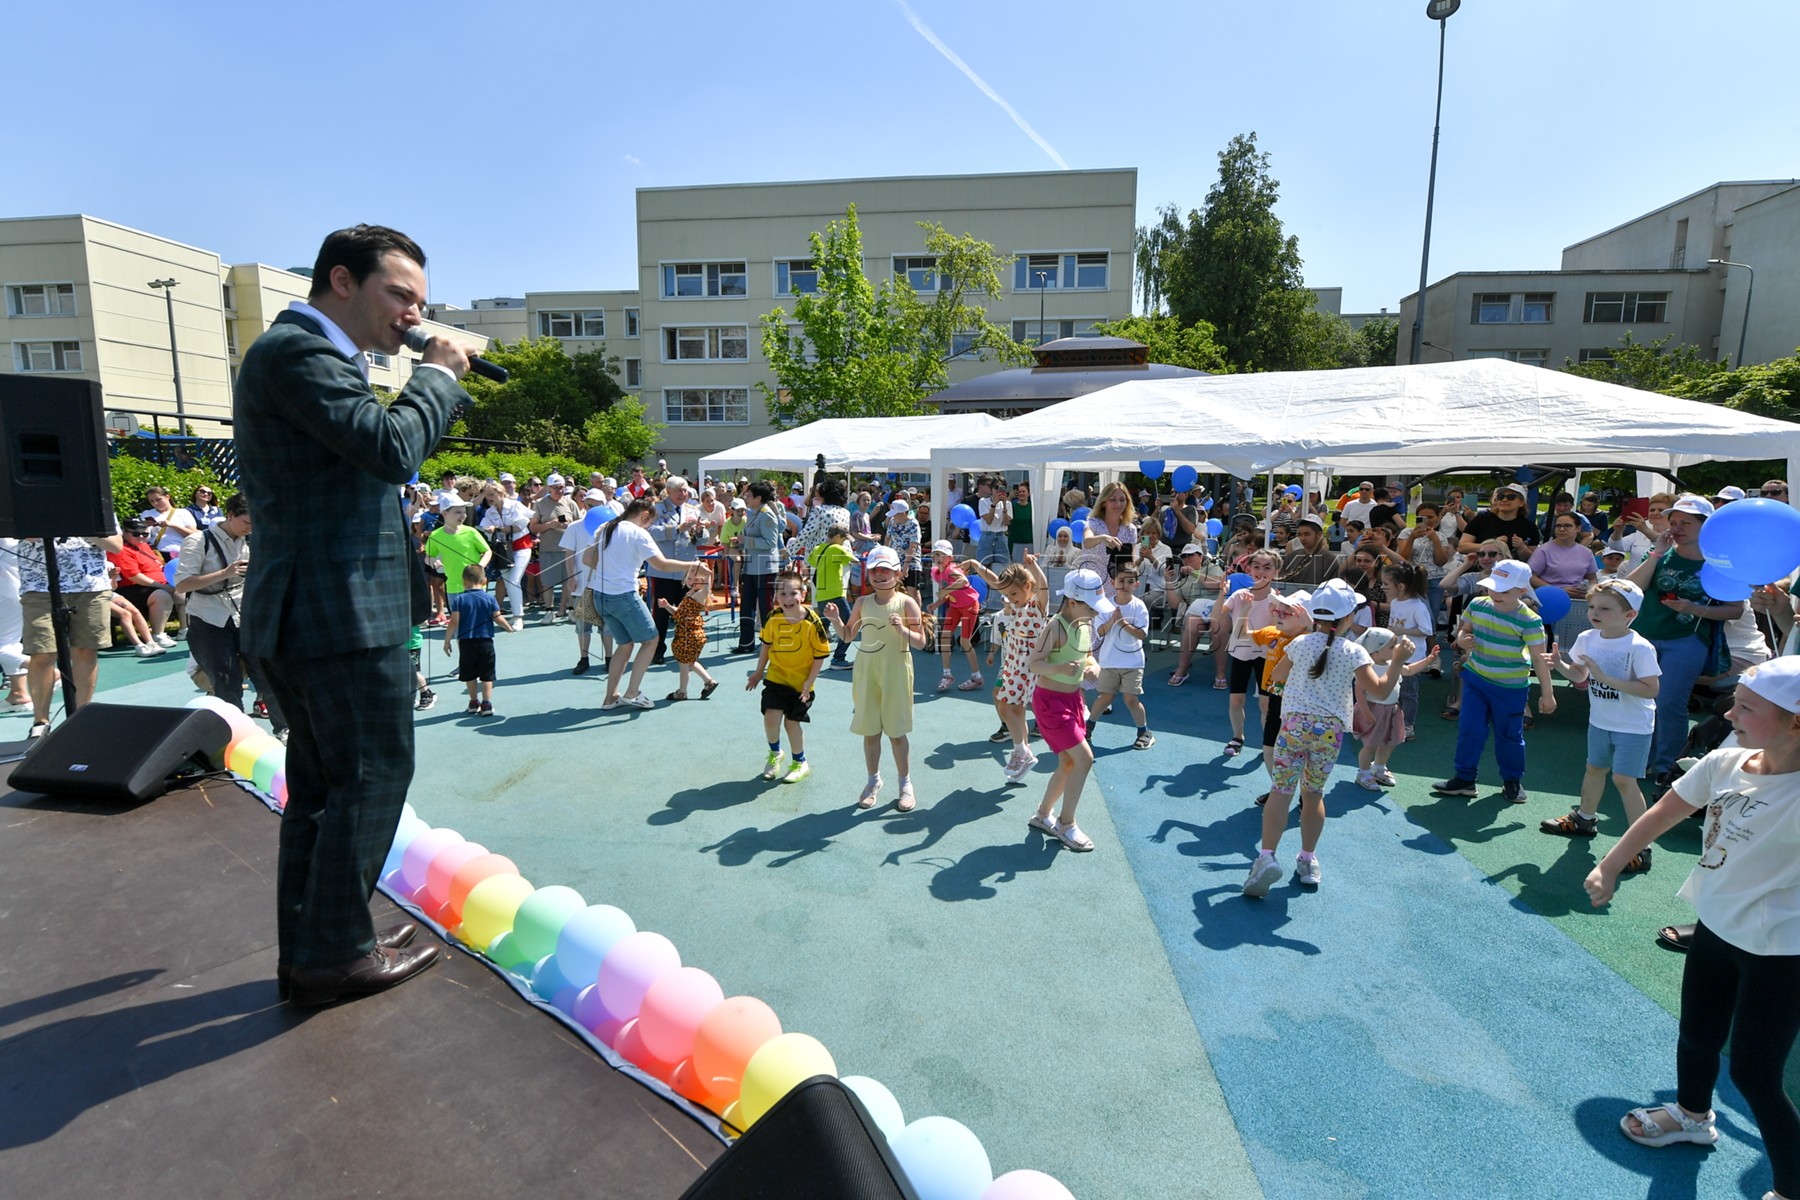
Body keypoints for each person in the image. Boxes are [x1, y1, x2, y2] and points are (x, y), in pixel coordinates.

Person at [235, 224, 474, 1006]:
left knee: (325, 789)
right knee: (368, 779)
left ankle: (321, 946)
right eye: (399, 295)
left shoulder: (315, 358)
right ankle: (333, 955)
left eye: (421, 303)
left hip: (316, 614)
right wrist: (438, 376)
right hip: (334, 619)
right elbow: (390, 447)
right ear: (342, 280)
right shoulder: (298, 352)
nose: (412, 315)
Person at [1586, 657, 1800, 1200]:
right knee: (1697, 1034)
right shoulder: (1725, 762)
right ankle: (1691, 1115)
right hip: (1715, 927)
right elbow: (1662, 813)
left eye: (1748, 707)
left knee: (1755, 1072)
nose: (1730, 712)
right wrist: (1609, 865)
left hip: (1782, 950)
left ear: (1796, 721)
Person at [1243, 579, 1413, 896]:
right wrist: (1399, 660)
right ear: (1349, 615)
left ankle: (1266, 857)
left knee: (1281, 791)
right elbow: (1380, 689)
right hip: (1328, 731)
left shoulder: (1300, 644)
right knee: (1313, 794)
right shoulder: (1354, 652)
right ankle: (1307, 859)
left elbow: (1277, 677)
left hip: (1293, 726)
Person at [1626, 495, 1746, 786]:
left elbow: (1736, 610)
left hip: (1687, 639)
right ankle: (1640, 759)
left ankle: (1668, 766)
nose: (1677, 528)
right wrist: (1656, 553)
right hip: (1645, 637)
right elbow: (1630, 589)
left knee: (1669, 702)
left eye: (1686, 523)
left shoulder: (1719, 562)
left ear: (1705, 527)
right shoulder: (1661, 553)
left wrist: (1694, 609)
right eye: (1674, 522)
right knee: (1641, 700)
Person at [1542, 579, 1660, 860]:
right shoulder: (1587, 638)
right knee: (1594, 768)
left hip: (1633, 726)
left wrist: (1608, 679)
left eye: (1605, 608)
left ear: (1630, 615)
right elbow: (1580, 676)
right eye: (1593, 606)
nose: (1594, 612)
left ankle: (1641, 848)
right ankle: (1584, 819)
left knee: (1623, 779)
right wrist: (1559, 665)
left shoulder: (1640, 647)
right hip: (1600, 721)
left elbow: (1651, 689)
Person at [1431, 559, 1558, 803]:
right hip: (1476, 680)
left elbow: (1539, 659)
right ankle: (1465, 779)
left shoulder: (1530, 620)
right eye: (1493, 587)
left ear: (1522, 591)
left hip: (1510, 688)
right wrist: (1463, 639)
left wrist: (1548, 693)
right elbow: (1463, 632)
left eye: (1505, 590)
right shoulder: (1478, 604)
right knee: (1469, 730)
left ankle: (1512, 781)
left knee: (1509, 736)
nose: (1496, 593)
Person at [822, 545, 928, 811]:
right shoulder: (861, 602)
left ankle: (905, 784)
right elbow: (847, 636)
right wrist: (835, 620)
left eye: (885, 570)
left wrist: (903, 629)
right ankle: (873, 781)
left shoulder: (907, 602)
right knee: (870, 731)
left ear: (896, 574)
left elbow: (921, 642)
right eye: (874, 570)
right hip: (867, 671)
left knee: (896, 732)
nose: (879, 575)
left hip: (896, 671)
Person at [172, 492, 286, 737]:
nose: (251, 528)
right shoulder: (198, 541)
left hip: (245, 613)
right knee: (226, 681)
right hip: (209, 617)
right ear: (231, 515)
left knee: (269, 674)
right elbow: (182, 585)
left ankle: (283, 729)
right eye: (246, 522)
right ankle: (236, 735)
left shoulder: (251, 540)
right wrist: (225, 572)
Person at [580, 497, 695, 710]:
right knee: (651, 640)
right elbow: (661, 564)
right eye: (650, 522)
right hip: (623, 594)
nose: (649, 526)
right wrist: (693, 565)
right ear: (644, 515)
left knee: (624, 645)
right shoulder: (638, 533)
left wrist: (612, 569)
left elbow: (587, 559)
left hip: (600, 595)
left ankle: (610, 697)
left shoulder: (606, 527)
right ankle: (632, 692)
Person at [1025, 569, 1109, 852]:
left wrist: (1092, 666)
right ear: (1072, 601)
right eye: (1091, 606)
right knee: (1084, 759)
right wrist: (1058, 668)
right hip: (1050, 703)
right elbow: (1034, 663)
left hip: (1073, 700)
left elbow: (1086, 656)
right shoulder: (1055, 627)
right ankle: (1066, 822)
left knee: (1069, 763)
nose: (1096, 613)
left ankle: (1042, 814)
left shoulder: (1085, 625)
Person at [15, 522, 124, 739]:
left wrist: (81, 526)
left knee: (85, 650)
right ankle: (41, 722)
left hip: (90, 585)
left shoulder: (94, 501)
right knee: (43, 652)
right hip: (39, 585)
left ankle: (80, 716)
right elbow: (27, 533)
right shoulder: (30, 494)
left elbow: (115, 545)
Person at [964, 554, 1050, 782]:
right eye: (1008, 594)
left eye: (1014, 593)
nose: (1011, 598)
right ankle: (1022, 749)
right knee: (1013, 708)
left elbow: (1044, 588)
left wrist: (1034, 566)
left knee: (1007, 707)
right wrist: (975, 564)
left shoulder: (1036, 607)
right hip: (1011, 663)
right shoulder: (1014, 604)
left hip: (1025, 667)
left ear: (1028, 587)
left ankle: (1021, 751)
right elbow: (994, 580)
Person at [746, 571, 830, 783]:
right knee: (770, 717)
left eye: (793, 593)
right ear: (776, 596)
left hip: (801, 684)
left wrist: (809, 683)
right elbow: (766, 646)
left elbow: (820, 656)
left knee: (792, 723)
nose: (788, 598)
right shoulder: (772, 618)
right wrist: (758, 672)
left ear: (803, 594)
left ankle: (800, 762)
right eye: (782, 593)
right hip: (777, 678)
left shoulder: (813, 621)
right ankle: (775, 754)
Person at [1352, 626, 1438, 791]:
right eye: (1392, 646)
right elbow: (1359, 692)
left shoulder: (1393, 663)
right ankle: (1363, 773)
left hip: (1392, 710)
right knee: (1370, 745)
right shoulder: (1367, 668)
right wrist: (1365, 712)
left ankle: (1379, 767)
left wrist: (1428, 660)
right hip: (1375, 710)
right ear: (1375, 651)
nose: (1397, 649)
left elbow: (1409, 670)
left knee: (1390, 743)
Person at [1219, 549, 1283, 758]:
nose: (1261, 571)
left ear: (1276, 572)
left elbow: (1276, 633)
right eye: (1257, 566)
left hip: (1267, 657)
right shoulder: (1239, 595)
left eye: (1267, 567)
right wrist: (1222, 593)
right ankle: (1237, 737)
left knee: (1266, 704)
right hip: (1240, 653)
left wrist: (1275, 612)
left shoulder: (1278, 600)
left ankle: (1269, 743)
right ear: (1249, 569)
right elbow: (1216, 616)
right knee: (1236, 700)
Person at [1089, 564, 1154, 750]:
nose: (1125, 585)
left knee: (1130, 699)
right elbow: (1100, 632)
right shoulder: (1105, 605)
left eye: (1130, 581)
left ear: (1137, 584)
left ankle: (1144, 732)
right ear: (1112, 582)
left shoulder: (1139, 606)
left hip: (1133, 663)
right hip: (1109, 661)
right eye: (1121, 581)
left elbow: (1142, 634)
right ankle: (1088, 729)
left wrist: (1122, 623)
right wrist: (1113, 621)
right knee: (1104, 697)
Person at [647, 475, 702, 665]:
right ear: (668, 492)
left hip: (686, 572)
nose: (683, 494)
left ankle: (686, 647)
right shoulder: (656, 509)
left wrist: (701, 532)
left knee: (686, 612)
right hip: (663, 570)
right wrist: (676, 529)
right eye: (679, 490)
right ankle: (657, 650)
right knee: (661, 614)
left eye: (685, 490)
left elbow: (700, 540)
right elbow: (650, 532)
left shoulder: (693, 510)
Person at [444, 563, 510, 716]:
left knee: (469, 673)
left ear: (463, 581)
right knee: (487, 674)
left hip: (466, 642)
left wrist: (447, 640)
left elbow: (454, 621)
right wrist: (507, 626)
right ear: (484, 580)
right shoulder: (489, 598)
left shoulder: (459, 599)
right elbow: (497, 617)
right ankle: (486, 703)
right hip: (485, 642)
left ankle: (473, 702)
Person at [730, 482, 785, 654]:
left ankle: (770, 642)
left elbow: (770, 543)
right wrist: (740, 541)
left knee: (765, 607)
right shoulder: (755, 514)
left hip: (765, 568)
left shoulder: (766, 515)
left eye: (749, 495)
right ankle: (746, 643)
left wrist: (745, 541)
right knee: (747, 606)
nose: (745, 497)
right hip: (753, 567)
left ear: (758, 498)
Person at [1165, 542, 1227, 688]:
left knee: (1216, 625)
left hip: (1217, 605)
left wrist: (1194, 572)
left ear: (1200, 557)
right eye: (1184, 557)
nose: (1187, 559)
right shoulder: (1183, 579)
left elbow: (1216, 585)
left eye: (1190, 555)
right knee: (1193, 624)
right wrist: (1167, 581)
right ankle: (1182, 668)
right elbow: (1174, 604)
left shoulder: (1212, 568)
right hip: (1197, 610)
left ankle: (1220, 673)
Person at [655, 563, 720, 701]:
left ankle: (682, 692)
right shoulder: (689, 594)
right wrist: (667, 606)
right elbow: (678, 613)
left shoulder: (700, 594)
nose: (692, 581)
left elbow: (708, 586)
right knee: (689, 662)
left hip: (689, 635)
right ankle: (709, 682)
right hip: (686, 634)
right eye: (689, 578)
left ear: (702, 580)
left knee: (684, 666)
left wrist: (707, 572)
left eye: (696, 578)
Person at [108, 519, 178, 645]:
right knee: (161, 595)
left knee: (183, 591)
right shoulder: (120, 550)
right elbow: (134, 576)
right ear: (124, 533)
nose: (141, 537)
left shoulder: (143, 545)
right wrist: (161, 586)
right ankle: (158, 634)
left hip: (156, 582)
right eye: (136, 534)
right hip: (132, 587)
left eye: (144, 534)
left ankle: (185, 628)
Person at [928, 540, 983, 692]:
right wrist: (936, 604)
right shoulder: (936, 573)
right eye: (936, 554)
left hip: (970, 605)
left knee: (965, 642)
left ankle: (976, 677)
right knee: (944, 637)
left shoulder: (952, 569)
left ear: (950, 558)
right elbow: (947, 591)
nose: (939, 557)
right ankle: (947, 675)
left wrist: (945, 591)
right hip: (956, 606)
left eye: (943, 555)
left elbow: (963, 581)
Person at [478, 479, 533, 629]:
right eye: (487, 495)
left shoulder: (515, 505)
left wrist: (499, 529)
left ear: (501, 493)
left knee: (513, 580)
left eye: (492, 494)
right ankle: (516, 615)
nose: (489, 498)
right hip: (503, 550)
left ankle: (518, 617)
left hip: (521, 546)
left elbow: (522, 523)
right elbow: (485, 528)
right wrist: (490, 530)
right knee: (508, 581)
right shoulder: (489, 512)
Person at [426, 498, 490, 611]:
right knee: (458, 623)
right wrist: (432, 561)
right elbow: (428, 556)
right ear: (445, 513)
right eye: (457, 512)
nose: (463, 515)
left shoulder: (471, 532)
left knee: (477, 620)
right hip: (453, 586)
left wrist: (480, 566)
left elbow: (487, 551)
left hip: (476, 585)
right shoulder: (435, 536)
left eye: (464, 512)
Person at [807, 525, 856, 670]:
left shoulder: (817, 549)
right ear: (837, 537)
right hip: (836, 596)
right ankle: (838, 658)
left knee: (822, 630)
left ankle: (808, 655)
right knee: (850, 628)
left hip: (821, 596)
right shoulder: (837, 549)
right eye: (844, 539)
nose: (844, 542)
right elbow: (854, 560)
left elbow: (811, 561)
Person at [1457, 483, 1540, 557]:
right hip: (1480, 569)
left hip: (1512, 571)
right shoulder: (1481, 519)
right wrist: (1491, 545)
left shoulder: (1529, 527)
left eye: (1511, 497)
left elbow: (1534, 559)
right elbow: (1462, 547)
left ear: (1521, 503)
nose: (1504, 499)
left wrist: (1522, 548)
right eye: (1501, 497)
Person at [1080, 482, 1138, 578]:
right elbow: (1087, 542)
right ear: (1103, 503)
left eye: (1122, 500)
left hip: (1118, 587)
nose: (1118, 504)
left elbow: (1131, 562)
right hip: (1092, 585)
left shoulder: (1130, 529)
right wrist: (1102, 538)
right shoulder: (1093, 523)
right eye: (1112, 500)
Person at [1278, 515, 1342, 587]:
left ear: (1319, 535)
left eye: (1307, 534)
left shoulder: (1330, 560)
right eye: (1300, 535)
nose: (1303, 538)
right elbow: (1283, 584)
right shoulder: (1291, 557)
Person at [975, 476, 1012, 567]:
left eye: (1002, 488)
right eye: (996, 488)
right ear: (991, 489)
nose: (998, 491)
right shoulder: (983, 501)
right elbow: (989, 521)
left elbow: (1006, 523)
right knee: (984, 566)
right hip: (987, 535)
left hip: (1001, 535)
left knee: (1004, 566)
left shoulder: (1008, 504)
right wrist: (994, 504)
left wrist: (1004, 506)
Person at [1007, 481, 1034, 563]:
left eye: (1023, 491)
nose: (1021, 493)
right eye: (1019, 492)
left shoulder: (1032, 507)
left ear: (1028, 493)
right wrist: (1009, 498)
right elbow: (1005, 516)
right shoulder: (1012, 506)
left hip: (1029, 542)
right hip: (1015, 542)